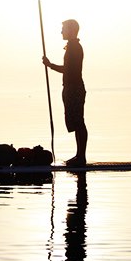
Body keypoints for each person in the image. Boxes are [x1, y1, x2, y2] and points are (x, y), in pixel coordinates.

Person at [42, 19, 88, 166]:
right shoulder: (72, 47)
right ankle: (79, 156)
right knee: (75, 121)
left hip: (74, 88)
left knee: (78, 121)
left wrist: (50, 65)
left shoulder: (75, 48)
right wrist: (50, 65)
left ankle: (81, 157)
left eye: (63, 29)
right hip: (70, 88)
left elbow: (68, 69)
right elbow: (67, 69)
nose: (61, 31)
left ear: (71, 30)